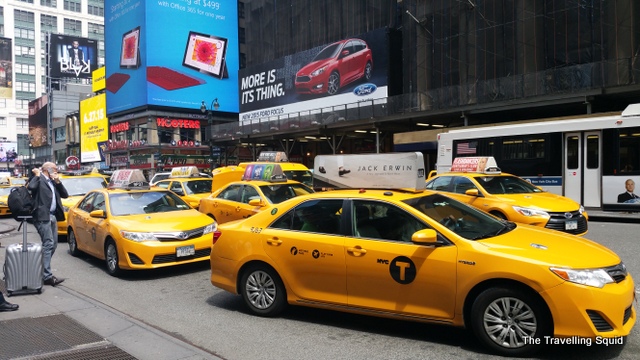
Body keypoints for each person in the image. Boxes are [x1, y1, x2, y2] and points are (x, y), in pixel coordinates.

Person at [27, 162, 69, 286]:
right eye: (55, 169)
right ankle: (47, 276)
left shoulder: (53, 182)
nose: (57, 171)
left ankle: (40, 269)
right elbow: (31, 187)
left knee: (53, 244)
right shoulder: (39, 179)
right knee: (48, 243)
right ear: (48, 169)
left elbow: (65, 195)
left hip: (52, 216)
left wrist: (58, 182)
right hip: (41, 216)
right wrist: (37, 175)